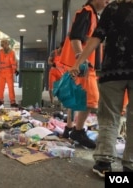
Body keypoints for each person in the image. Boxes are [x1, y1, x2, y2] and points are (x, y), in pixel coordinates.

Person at [69, 0, 133, 177]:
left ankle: (104, 162)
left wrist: (78, 62)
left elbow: (96, 37)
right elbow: (84, 37)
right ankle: (129, 166)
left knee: (109, 116)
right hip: (111, 72)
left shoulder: (112, 8)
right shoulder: (89, 11)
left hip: (112, 71)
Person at [59, 0, 110, 149]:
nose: (108, 1)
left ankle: (70, 127)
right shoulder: (86, 12)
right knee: (91, 99)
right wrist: (80, 59)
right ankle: (78, 130)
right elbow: (75, 37)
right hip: (85, 66)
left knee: (78, 98)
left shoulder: (92, 14)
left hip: (85, 65)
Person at [0, 39, 19, 107]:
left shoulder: (12, 52)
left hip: (9, 72)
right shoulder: (0, 52)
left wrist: (17, 69)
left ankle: (12, 101)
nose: (3, 47)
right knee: (0, 87)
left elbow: (15, 61)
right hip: (1, 72)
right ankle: (0, 100)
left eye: (4, 45)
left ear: (7, 44)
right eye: (2, 46)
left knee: (11, 88)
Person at [48, 41, 65, 108]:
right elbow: (49, 61)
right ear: (61, 46)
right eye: (63, 48)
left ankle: (60, 102)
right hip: (53, 72)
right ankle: (52, 102)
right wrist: (52, 64)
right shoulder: (53, 53)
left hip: (61, 73)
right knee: (51, 88)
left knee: (61, 89)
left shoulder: (65, 54)